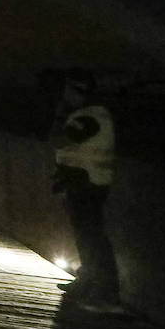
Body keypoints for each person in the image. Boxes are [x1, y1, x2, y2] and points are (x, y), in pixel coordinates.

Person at [50, 72, 121, 312]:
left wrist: (61, 112)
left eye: (68, 92)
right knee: (86, 238)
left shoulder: (91, 117)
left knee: (93, 239)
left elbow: (59, 140)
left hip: (89, 186)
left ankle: (106, 295)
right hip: (83, 183)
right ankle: (87, 283)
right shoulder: (89, 115)